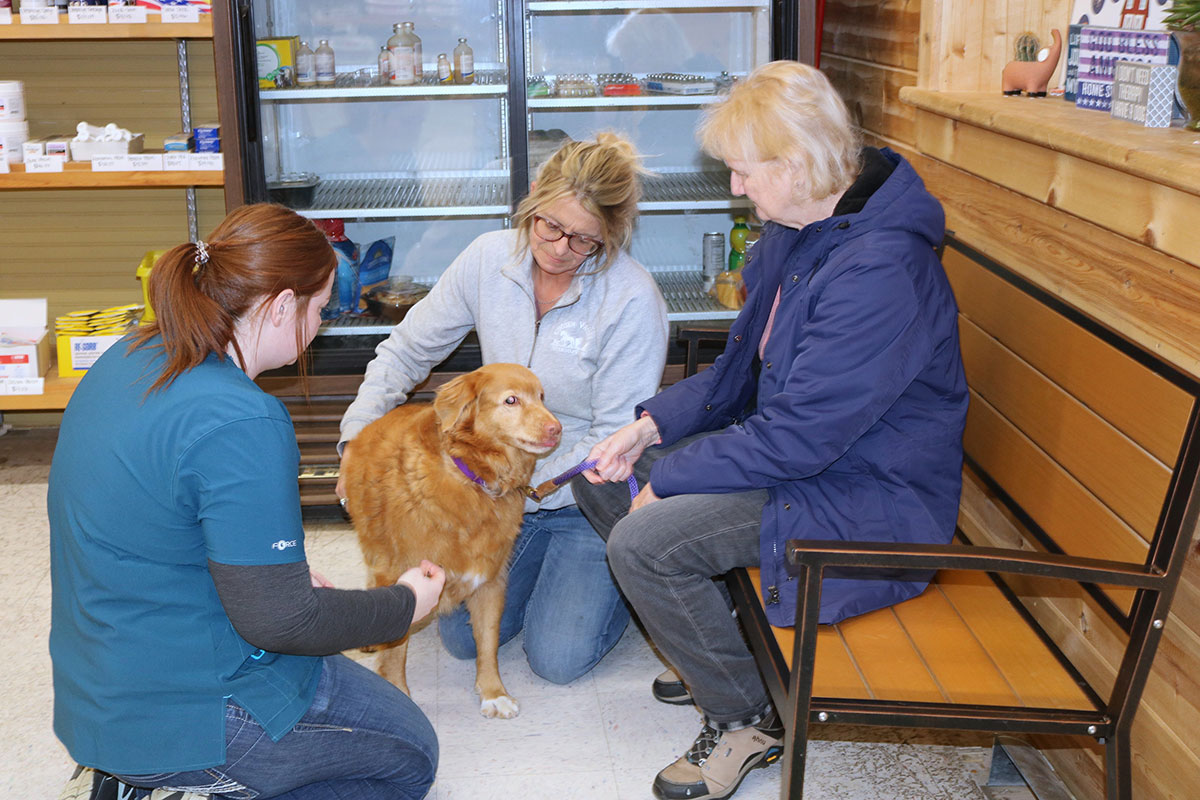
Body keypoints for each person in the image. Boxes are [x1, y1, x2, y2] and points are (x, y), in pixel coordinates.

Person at [574, 61, 969, 800]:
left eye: (743, 171)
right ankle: (717, 645)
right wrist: (650, 428)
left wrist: (672, 478)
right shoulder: (804, 228)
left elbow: (800, 439)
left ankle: (748, 717)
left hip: (864, 498)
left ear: (795, 164)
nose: (735, 188)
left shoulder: (879, 269)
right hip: (814, 463)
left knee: (645, 540)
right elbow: (739, 375)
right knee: (605, 476)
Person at [48, 204, 445, 800]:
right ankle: (184, 787)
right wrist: (403, 604)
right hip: (191, 714)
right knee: (410, 757)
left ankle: (139, 779)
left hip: (99, 690)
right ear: (282, 305)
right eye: (319, 310)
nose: (321, 326)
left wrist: (267, 573)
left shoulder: (132, 355)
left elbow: (155, 518)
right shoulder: (244, 420)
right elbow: (285, 621)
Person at [336, 133, 669, 685]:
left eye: (583, 240)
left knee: (556, 659)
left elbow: (614, 435)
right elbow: (405, 352)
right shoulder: (489, 258)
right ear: (534, 198)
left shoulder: (632, 299)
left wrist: (526, 485)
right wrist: (355, 438)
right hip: (495, 491)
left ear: (609, 236)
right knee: (462, 641)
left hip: (580, 500)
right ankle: (541, 574)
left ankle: (625, 579)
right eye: (550, 225)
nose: (560, 248)